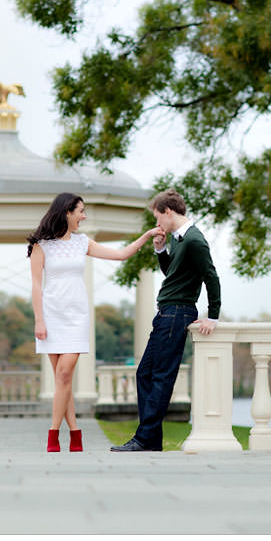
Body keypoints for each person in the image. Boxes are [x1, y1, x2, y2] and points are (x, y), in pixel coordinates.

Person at [28, 192, 161, 453]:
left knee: (65, 374)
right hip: (51, 316)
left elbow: (121, 255)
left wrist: (146, 236)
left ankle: (53, 434)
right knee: (62, 379)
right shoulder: (40, 245)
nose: (84, 216)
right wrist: (39, 321)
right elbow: (35, 284)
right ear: (67, 212)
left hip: (76, 316)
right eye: (81, 211)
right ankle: (75, 432)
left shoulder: (82, 242)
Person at [111, 188, 220, 452]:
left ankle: (144, 439)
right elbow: (172, 273)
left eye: (158, 218)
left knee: (160, 376)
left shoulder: (194, 240)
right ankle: (151, 439)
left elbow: (211, 276)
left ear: (168, 212)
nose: (157, 224)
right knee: (144, 373)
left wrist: (213, 316)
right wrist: (161, 250)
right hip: (167, 313)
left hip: (177, 313)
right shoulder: (178, 239)